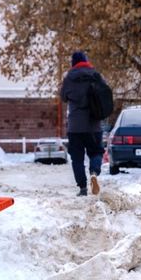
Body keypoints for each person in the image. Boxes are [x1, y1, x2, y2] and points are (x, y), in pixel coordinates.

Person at [60, 51, 107, 196]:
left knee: (77, 158)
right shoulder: (97, 76)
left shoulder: (69, 78)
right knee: (96, 152)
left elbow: (63, 97)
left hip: (75, 126)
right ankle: (94, 172)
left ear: (73, 63)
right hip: (94, 124)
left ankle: (83, 188)